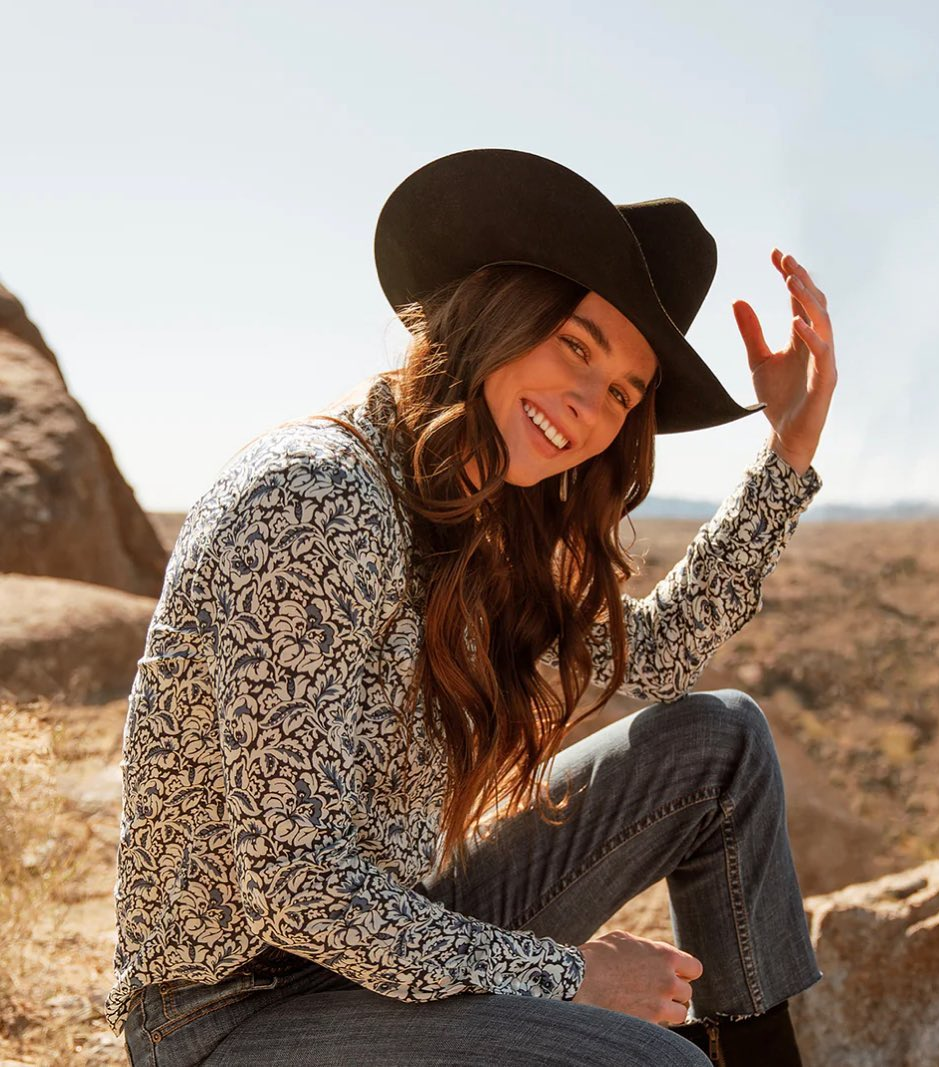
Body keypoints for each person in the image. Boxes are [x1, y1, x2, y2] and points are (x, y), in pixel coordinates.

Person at [109, 148, 837, 1066]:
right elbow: (297, 879)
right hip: (231, 1011)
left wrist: (787, 451)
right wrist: (567, 975)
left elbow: (649, 660)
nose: (585, 405)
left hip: (392, 946)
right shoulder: (314, 500)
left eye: (621, 391)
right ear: (504, 309)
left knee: (719, 744)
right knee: (655, 1064)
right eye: (576, 343)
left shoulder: (470, 517)